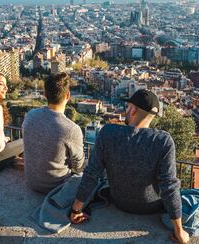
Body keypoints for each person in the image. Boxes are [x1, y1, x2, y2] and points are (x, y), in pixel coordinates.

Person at [70, 89, 190, 244]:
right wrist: (179, 232)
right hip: (151, 207)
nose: (126, 110)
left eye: (127, 107)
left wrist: (76, 210)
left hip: (119, 201)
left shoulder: (108, 133)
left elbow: (92, 173)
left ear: (133, 109)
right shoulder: (163, 141)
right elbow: (169, 185)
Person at [22, 72, 85, 193]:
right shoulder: (71, 129)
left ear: (45, 94)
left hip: (31, 182)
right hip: (56, 187)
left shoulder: (30, 115)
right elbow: (78, 166)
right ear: (68, 95)